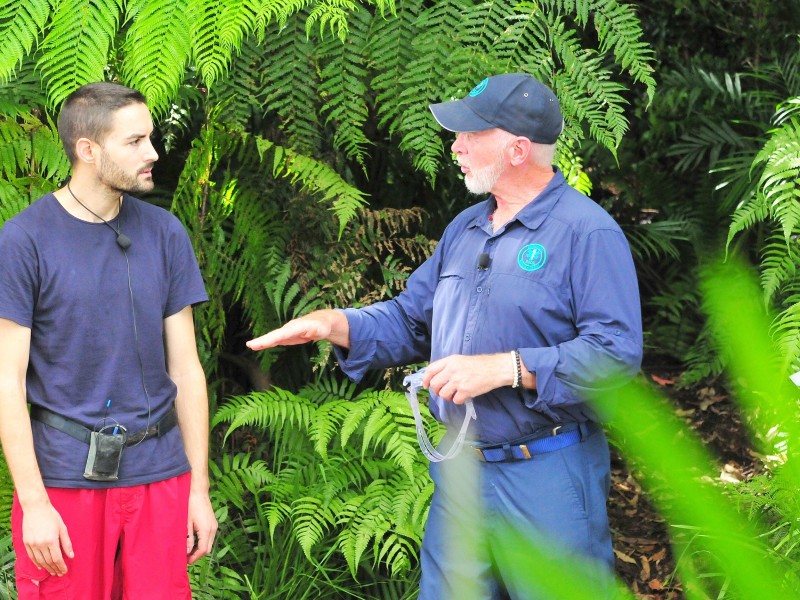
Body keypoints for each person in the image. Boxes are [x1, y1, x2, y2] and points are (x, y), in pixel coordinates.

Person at [247, 73, 643, 598]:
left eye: (470, 134)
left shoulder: (587, 233)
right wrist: (336, 324)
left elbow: (615, 355)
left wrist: (509, 368)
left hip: (548, 475)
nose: (454, 145)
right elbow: (413, 320)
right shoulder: (465, 228)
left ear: (518, 148)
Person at [0, 82, 217, 598]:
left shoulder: (165, 234)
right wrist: (34, 503)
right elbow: (6, 380)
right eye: (135, 141)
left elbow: (186, 370)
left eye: (151, 138)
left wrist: (198, 489)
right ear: (88, 150)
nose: (153, 153)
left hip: (160, 475)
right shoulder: (24, 240)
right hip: (65, 482)